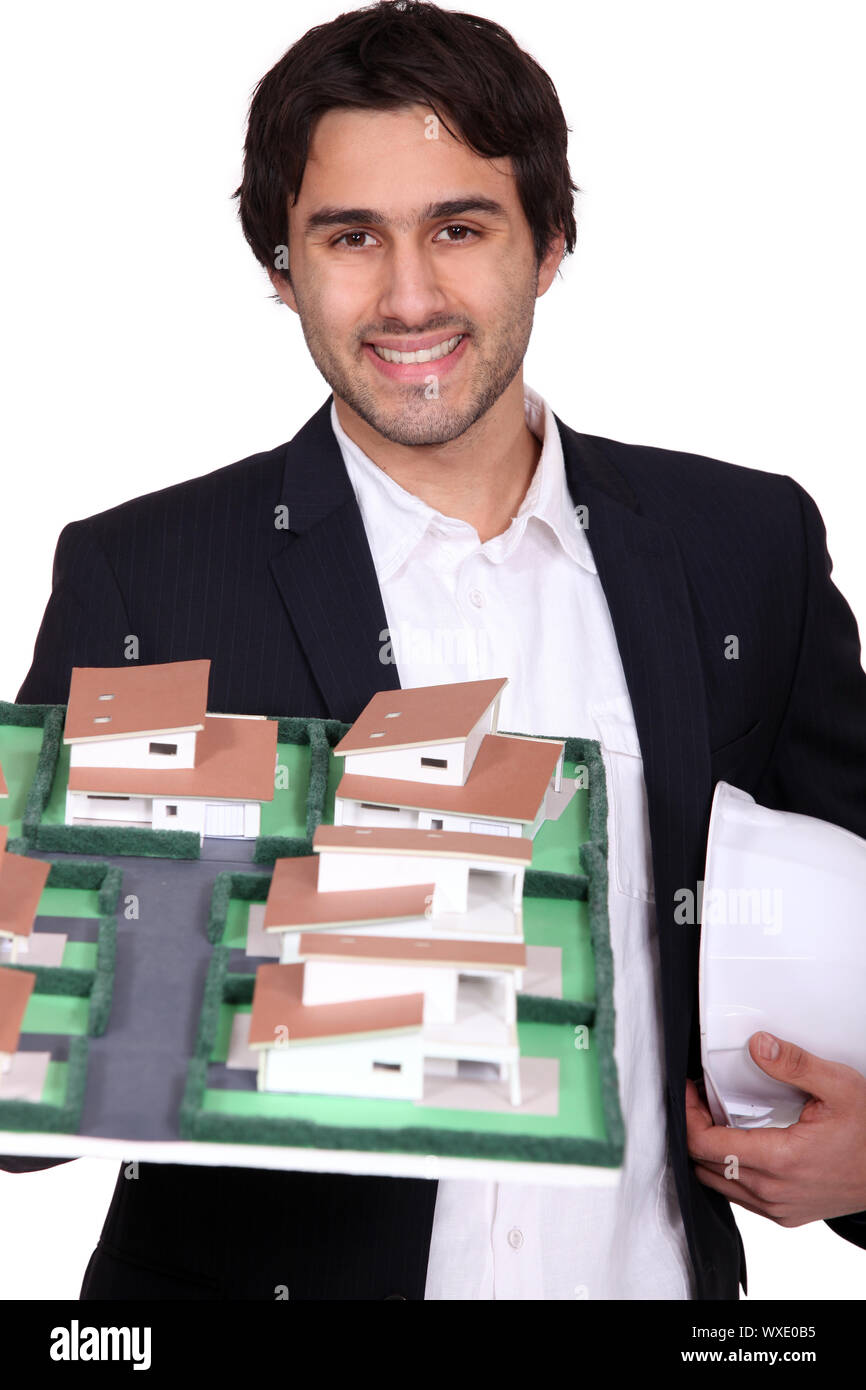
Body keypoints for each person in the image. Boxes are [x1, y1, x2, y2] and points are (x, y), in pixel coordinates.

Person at [4, 0, 866, 1300]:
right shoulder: (148, 572)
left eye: (459, 228)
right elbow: (33, 1050)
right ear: (284, 267)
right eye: (350, 238)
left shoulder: (740, 542)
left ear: (551, 241)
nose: (408, 296)